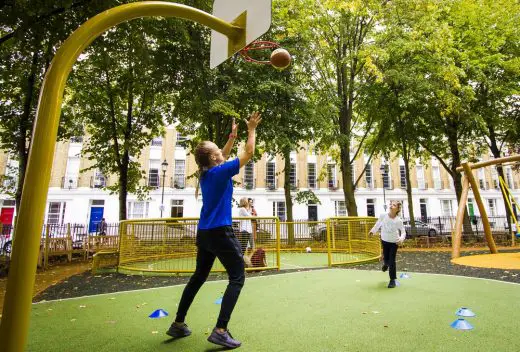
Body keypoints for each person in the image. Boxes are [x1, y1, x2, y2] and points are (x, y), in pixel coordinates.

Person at [167, 112, 262, 349]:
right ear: (213, 157)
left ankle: (178, 323)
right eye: (217, 151)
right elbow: (248, 154)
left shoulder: (207, 172)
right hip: (220, 232)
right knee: (238, 276)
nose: (222, 152)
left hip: (205, 233)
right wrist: (251, 129)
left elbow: (224, 153)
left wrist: (231, 137)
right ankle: (220, 330)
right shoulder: (219, 172)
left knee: (199, 277)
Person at [369, 201, 406, 288]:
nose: (391, 206)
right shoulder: (383, 215)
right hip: (384, 240)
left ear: (397, 209)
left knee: (392, 260)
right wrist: (372, 231)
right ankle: (386, 264)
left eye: (394, 205)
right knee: (386, 257)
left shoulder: (398, 220)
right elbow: (377, 224)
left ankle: (392, 280)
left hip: (394, 242)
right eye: (391, 204)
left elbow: (403, 232)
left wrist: (401, 239)